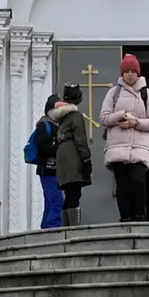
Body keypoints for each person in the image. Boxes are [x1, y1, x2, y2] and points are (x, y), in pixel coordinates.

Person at [100, 54, 149, 222]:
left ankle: (139, 215)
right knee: (122, 184)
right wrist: (121, 116)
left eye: (133, 71)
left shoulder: (146, 93)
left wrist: (135, 122)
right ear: (122, 73)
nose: (130, 74)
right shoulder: (114, 92)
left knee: (138, 181)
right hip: (117, 146)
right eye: (127, 71)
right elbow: (104, 118)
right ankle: (125, 217)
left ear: (138, 73)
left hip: (139, 146)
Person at [49, 84, 92, 226]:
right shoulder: (76, 116)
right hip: (73, 157)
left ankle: (65, 226)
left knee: (69, 192)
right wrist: (86, 159)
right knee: (74, 193)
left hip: (62, 157)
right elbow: (80, 139)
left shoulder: (62, 118)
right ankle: (73, 227)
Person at [33, 94, 62, 229]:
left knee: (50, 201)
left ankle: (46, 226)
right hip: (47, 169)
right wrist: (59, 148)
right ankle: (53, 226)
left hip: (55, 169)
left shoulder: (56, 126)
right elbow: (41, 147)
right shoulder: (44, 126)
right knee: (56, 200)